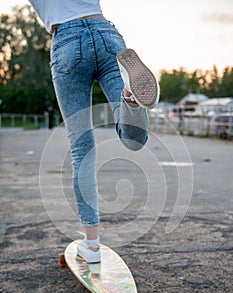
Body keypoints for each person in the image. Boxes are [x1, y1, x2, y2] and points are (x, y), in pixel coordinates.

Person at [29, 0, 160, 263]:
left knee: (82, 149)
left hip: (66, 40)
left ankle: (91, 245)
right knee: (134, 141)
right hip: (106, 35)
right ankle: (129, 96)